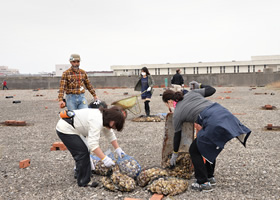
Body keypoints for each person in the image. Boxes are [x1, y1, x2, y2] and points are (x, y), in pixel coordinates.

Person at [162, 84, 251, 192]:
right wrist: (199, 85)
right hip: (224, 113)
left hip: (212, 121)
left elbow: (177, 136)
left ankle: (203, 182)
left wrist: (175, 154)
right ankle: (210, 177)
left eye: (167, 104)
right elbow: (211, 89)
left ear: (170, 101)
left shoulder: (177, 113)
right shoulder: (192, 93)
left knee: (194, 150)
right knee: (207, 146)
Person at [56, 106, 126, 187]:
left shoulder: (104, 117)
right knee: (82, 152)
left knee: (85, 150)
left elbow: (110, 134)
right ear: (112, 120)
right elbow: (93, 144)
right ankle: (83, 181)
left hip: (76, 129)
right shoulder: (97, 120)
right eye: (114, 126)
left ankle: (80, 172)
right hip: (66, 128)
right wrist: (104, 158)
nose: (112, 128)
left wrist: (118, 148)